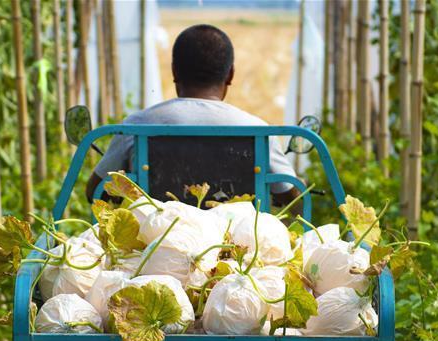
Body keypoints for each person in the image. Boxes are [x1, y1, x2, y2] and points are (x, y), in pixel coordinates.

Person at [86, 24, 301, 210]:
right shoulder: (259, 131)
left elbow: (95, 191)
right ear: (230, 75)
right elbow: (294, 201)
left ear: (174, 71)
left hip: (154, 249)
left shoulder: (137, 126)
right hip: (237, 251)